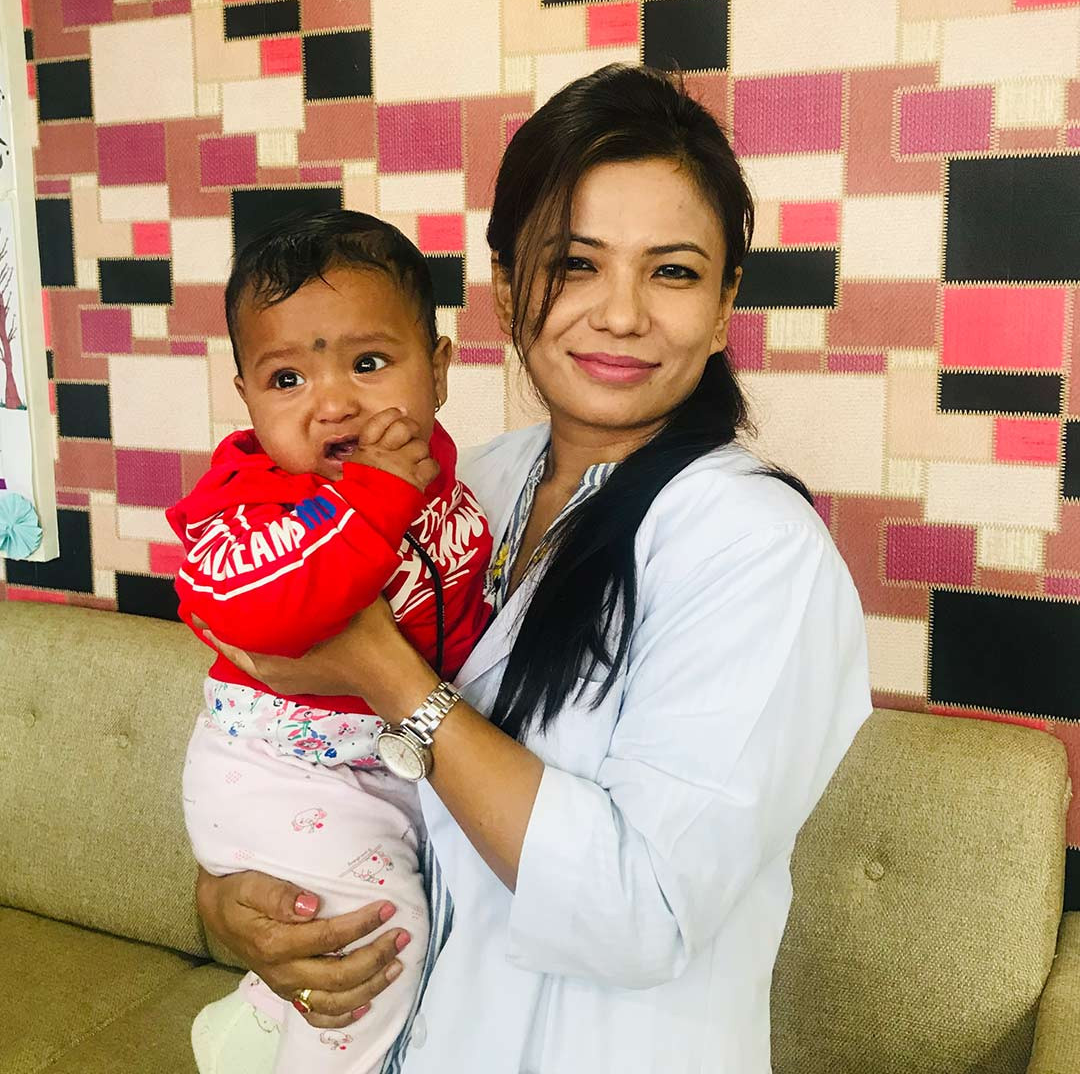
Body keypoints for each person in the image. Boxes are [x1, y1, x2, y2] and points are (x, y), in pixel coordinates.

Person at [191, 65, 872, 1074]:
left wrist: (381, 668)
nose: (622, 314)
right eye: (576, 265)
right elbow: (343, 775)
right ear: (507, 288)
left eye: (674, 272)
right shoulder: (467, 482)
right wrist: (230, 900)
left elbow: (641, 912)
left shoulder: (757, 549)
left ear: (726, 300)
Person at [167, 210, 493, 1074]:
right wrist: (374, 502)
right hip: (282, 774)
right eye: (287, 378)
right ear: (246, 397)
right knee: (380, 945)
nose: (335, 402)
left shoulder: (440, 470)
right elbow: (264, 616)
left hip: (386, 767)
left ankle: (248, 1031)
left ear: (439, 370)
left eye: (370, 363)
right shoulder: (251, 501)